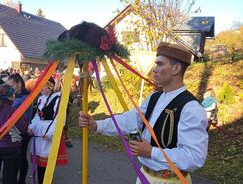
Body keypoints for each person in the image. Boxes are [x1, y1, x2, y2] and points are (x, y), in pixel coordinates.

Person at [79, 42, 208, 183]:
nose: (154, 69)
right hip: (144, 175)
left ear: (176, 68)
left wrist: (152, 152)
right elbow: (129, 120)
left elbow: (195, 157)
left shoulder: (191, 108)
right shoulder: (155, 97)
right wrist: (97, 125)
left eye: (160, 64)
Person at [0, 84, 28, 184]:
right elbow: (23, 129)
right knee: (10, 176)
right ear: (11, 96)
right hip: (11, 147)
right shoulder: (13, 111)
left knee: (7, 173)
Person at [28, 77, 68, 184]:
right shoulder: (41, 98)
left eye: (43, 85)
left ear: (50, 86)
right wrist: (31, 127)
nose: (40, 88)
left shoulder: (58, 98)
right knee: (39, 163)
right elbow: (38, 116)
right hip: (39, 131)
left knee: (47, 164)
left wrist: (49, 133)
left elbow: (59, 118)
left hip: (48, 130)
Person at [7, 73, 33, 184]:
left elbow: (24, 116)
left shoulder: (25, 97)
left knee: (21, 157)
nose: (10, 88)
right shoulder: (15, 96)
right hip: (13, 131)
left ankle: (21, 181)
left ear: (18, 84)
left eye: (11, 86)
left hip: (22, 131)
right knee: (15, 157)